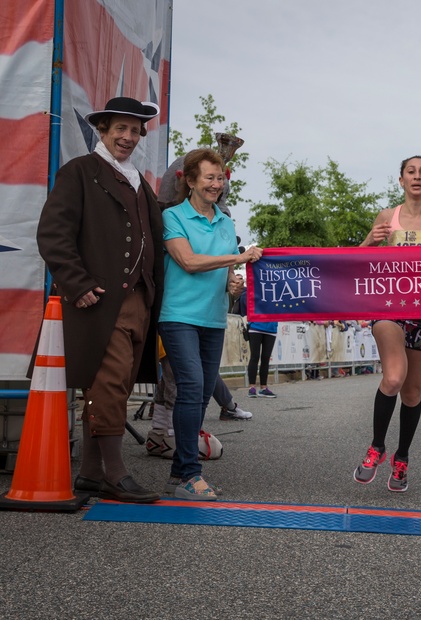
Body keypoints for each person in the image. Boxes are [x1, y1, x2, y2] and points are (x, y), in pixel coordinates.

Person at [35, 97, 163, 503]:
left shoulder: (138, 180)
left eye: (134, 130)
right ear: (102, 131)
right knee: (108, 382)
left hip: (139, 300)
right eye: (119, 129)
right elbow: (53, 234)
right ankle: (116, 474)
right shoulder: (79, 172)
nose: (127, 137)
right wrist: (77, 282)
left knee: (116, 384)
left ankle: (91, 472)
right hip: (101, 299)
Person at [352, 155, 421, 492]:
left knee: (412, 391)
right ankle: (376, 447)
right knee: (394, 378)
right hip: (389, 307)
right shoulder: (387, 217)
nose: (417, 177)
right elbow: (356, 263)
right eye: (410, 172)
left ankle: (402, 457)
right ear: (400, 180)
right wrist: (369, 241)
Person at [159, 148, 262, 500]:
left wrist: (233, 283)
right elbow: (187, 261)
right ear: (190, 181)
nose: (216, 185)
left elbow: (222, 272)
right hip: (178, 316)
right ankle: (190, 474)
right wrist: (239, 256)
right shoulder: (173, 217)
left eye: (220, 178)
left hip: (213, 317)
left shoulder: (225, 221)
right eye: (209, 178)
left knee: (201, 394)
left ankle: (178, 472)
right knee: (191, 387)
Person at [236, 288, 278, 398]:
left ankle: (264, 387)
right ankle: (252, 387)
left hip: (271, 327)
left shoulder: (277, 290)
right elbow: (244, 306)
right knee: (254, 356)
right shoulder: (252, 290)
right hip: (256, 326)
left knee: (266, 357)